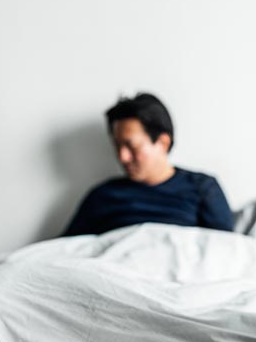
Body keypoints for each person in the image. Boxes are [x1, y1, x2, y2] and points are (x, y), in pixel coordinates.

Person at [63, 93, 234, 236]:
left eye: (131, 146)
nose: (123, 156)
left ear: (163, 143)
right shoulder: (102, 196)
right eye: (117, 145)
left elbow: (224, 252)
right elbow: (59, 254)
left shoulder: (203, 189)